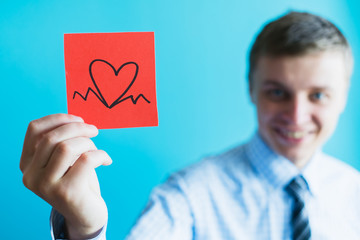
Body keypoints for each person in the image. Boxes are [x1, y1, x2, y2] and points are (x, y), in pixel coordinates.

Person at [20, 10, 360, 240]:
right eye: (277, 93)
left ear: (344, 96)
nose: (297, 115)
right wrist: (86, 227)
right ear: (251, 89)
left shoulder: (354, 194)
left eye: (318, 95)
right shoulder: (188, 196)